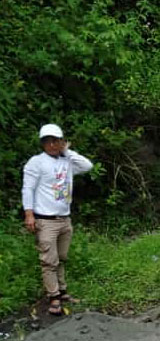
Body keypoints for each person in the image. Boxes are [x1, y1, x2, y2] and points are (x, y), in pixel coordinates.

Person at [21, 124, 94, 315]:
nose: (52, 145)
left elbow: (88, 166)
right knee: (48, 260)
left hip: (64, 218)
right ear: (43, 143)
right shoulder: (36, 162)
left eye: (56, 141)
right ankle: (53, 296)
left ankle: (62, 291)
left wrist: (67, 151)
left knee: (61, 258)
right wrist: (29, 214)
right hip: (45, 220)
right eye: (48, 141)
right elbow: (27, 188)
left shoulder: (66, 161)